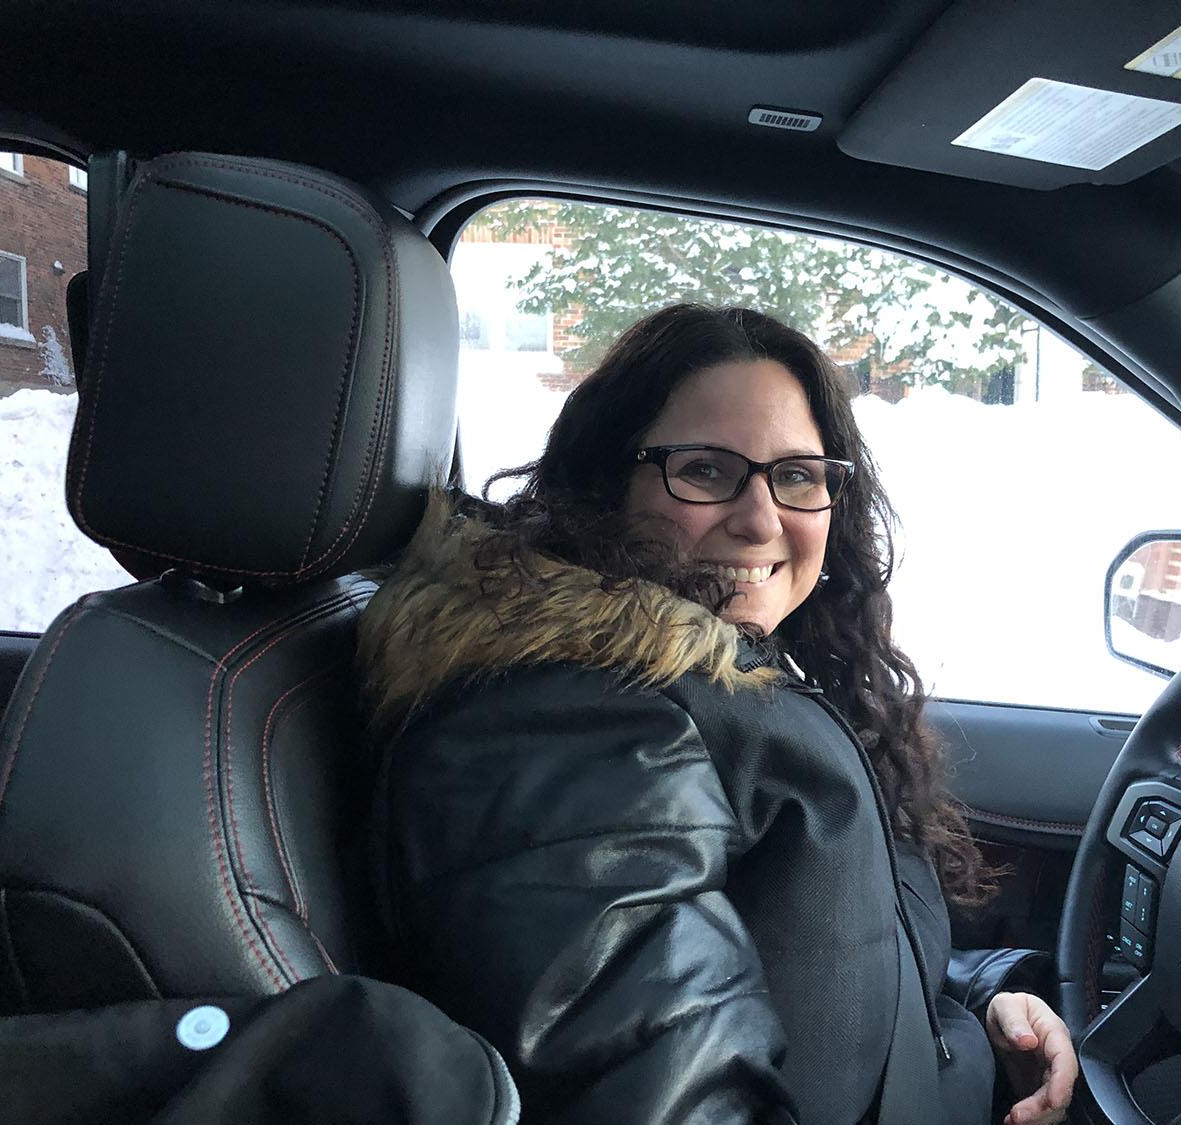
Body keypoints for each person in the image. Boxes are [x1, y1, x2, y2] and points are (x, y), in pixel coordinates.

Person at [358, 305, 1079, 1125]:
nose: (762, 518)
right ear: (603, 484)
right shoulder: (565, 719)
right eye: (705, 470)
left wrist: (980, 1002)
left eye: (797, 475)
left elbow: (811, 961)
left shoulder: (728, 673)